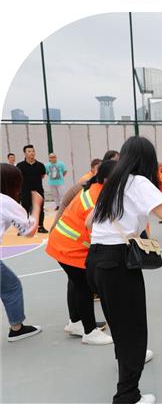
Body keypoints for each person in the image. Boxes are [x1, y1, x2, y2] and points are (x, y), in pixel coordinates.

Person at [87, 136, 162, 402]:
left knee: (119, 323)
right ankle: (127, 396)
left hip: (95, 259)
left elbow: (88, 222)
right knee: (133, 330)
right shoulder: (138, 182)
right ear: (148, 160)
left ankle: (127, 360)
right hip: (117, 264)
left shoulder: (113, 183)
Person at [46, 158, 115, 344]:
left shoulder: (94, 188)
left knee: (77, 283)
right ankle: (89, 332)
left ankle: (76, 322)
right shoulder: (98, 199)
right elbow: (98, 236)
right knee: (85, 286)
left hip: (63, 243)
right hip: (71, 248)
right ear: (108, 180)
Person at [2, 163, 42, 341]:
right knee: (11, 287)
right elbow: (29, 231)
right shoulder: (6, 202)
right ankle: (17, 328)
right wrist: (36, 205)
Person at [16, 145, 47, 229]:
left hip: (38, 190)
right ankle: (25, 227)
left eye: (33, 151)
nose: (32, 153)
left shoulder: (40, 165)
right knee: (25, 209)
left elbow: (42, 176)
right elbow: (18, 177)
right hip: (25, 190)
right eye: (29, 151)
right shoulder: (20, 165)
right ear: (25, 153)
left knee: (39, 208)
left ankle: (40, 226)